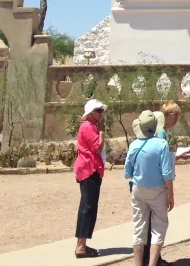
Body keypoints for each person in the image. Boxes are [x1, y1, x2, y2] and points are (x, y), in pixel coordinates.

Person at [126, 109, 176, 266]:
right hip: (157, 190)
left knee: (139, 228)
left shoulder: (134, 145)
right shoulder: (161, 144)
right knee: (159, 227)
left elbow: (128, 172)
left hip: (138, 189)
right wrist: (171, 195)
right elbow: (167, 173)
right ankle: (153, 263)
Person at [74, 98, 107, 259]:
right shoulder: (88, 127)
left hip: (89, 169)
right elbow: (97, 147)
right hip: (89, 169)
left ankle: (82, 244)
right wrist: (101, 131)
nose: (101, 114)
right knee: (88, 208)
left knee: (87, 207)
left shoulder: (88, 126)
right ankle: (81, 246)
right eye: (98, 111)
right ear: (90, 113)